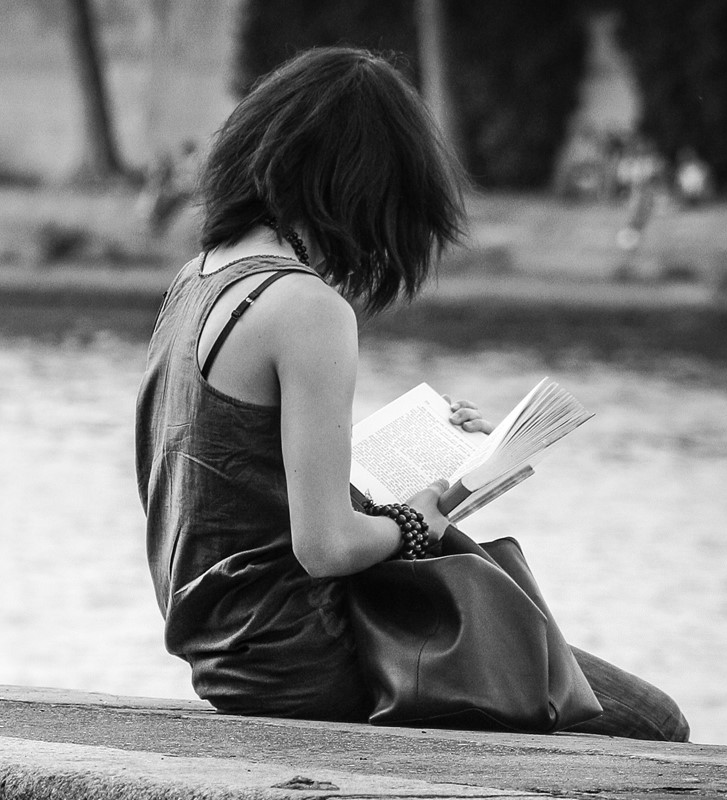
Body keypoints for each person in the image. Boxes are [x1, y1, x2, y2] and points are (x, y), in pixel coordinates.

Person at [135, 47, 689, 741]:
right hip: (304, 658)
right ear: (365, 187)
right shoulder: (305, 307)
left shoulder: (200, 278)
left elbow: (235, 485)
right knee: (654, 720)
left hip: (227, 650)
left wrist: (445, 482)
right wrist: (420, 520)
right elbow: (325, 548)